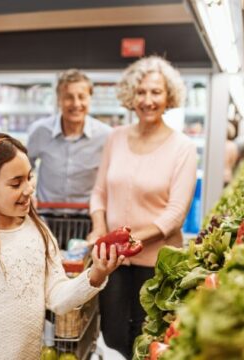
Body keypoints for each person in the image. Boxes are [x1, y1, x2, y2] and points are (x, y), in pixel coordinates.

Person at [0, 132, 123, 359]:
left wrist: (96, 273)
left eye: (29, 177)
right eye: (16, 183)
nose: (28, 189)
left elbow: (57, 298)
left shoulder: (39, 233)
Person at [88, 56, 198, 359]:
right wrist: (99, 228)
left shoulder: (183, 148)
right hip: (112, 261)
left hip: (158, 261)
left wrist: (132, 241)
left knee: (147, 338)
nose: (147, 100)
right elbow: (99, 192)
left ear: (169, 97)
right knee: (111, 335)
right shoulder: (115, 138)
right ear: (130, 97)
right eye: (141, 92)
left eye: (156, 92)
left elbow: (175, 214)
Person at [27, 69, 112, 207]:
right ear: (59, 100)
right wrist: (28, 193)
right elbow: (24, 167)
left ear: (90, 98)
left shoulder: (106, 136)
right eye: (69, 97)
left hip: (88, 217)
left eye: (82, 96)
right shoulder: (40, 131)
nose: (76, 104)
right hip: (46, 214)